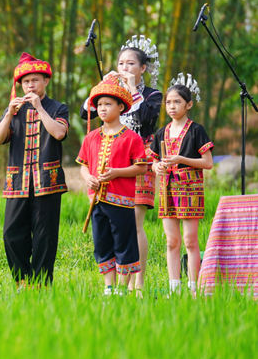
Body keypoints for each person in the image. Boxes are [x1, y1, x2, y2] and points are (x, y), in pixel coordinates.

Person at [80, 36, 162, 292]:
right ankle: (113, 284)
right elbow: (87, 114)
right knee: (110, 224)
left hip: (138, 159)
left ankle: (137, 283)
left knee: (133, 223)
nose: (124, 68)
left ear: (143, 68)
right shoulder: (111, 93)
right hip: (109, 162)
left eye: (130, 64)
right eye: (121, 63)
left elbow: (148, 118)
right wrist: (104, 85)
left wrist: (131, 89)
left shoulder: (152, 94)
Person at [0, 52, 68, 287]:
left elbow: (58, 133)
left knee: (44, 236)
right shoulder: (14, 109)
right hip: (18, 181)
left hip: (47, 181)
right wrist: (8, 115)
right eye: (26, 82)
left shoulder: (57, 108)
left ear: (46, 81)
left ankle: (42, 283)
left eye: (35, 80)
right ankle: (22, 280)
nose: (30, 85)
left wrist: (39, 108)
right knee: (11, 233)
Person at [77, 77, 147, 295]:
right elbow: (83, 166)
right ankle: (109, 287)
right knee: (102, 243)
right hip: (97, 200)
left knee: (124, 243)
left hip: (122, 200)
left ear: (120, 107)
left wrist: (117, 173)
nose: (103, 109)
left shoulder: (132, 138)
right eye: (99, 105)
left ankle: (123, 288)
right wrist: (88, 178)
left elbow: (141, 167)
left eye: (108, 104)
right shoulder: (91, 137)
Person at [149, 74, 214, 295]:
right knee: (171, 241)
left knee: (190, 240)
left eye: (177, 102)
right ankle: (174, 288)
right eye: (168, 102)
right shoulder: (161, 132)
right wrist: (156, 167)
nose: (172, 106)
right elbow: (153, 161)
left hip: (190, 189)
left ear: (189, 104)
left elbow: (208, 163)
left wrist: (180, 159)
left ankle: (194, 287)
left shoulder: (197, 130)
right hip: (167, 189)